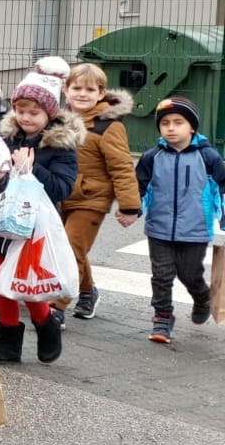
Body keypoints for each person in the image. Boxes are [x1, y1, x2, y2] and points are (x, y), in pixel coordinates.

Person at [0, 58, 82, 364]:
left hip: (34, 226)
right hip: (0, 221)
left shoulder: (61, 146)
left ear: (48, 113)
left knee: (26, 282)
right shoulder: (6, 138)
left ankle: (45, 323)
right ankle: (9, 342)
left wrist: (31, 169)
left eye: (33, 112)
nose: (25, 117)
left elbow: (62, 188)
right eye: (20, 111)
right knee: (2, 283)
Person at [134, 97, 225, 344]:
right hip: (159, 229)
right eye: (165, 123)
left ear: (192, 127)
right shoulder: (151, 157)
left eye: (178, 122)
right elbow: (138, 188)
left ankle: (202, 296)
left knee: (189, 274)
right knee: (161, 275)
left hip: (195, 229)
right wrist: (133, 209)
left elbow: (222, 189)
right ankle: (162, 318)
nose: (171, 128)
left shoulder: (209, 157)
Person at [59, 63, 142, 320]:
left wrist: (129, 206)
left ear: (101, 93)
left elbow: (122, 166)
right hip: (61, 196)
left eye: (90, 89)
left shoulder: (108, 125)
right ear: (66, 89)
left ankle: (55, 308)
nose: (82, 94)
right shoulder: (59, 120)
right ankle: (88, 292)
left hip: (91, 199)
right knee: (69, 248)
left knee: (70, 250)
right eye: (76, 88)